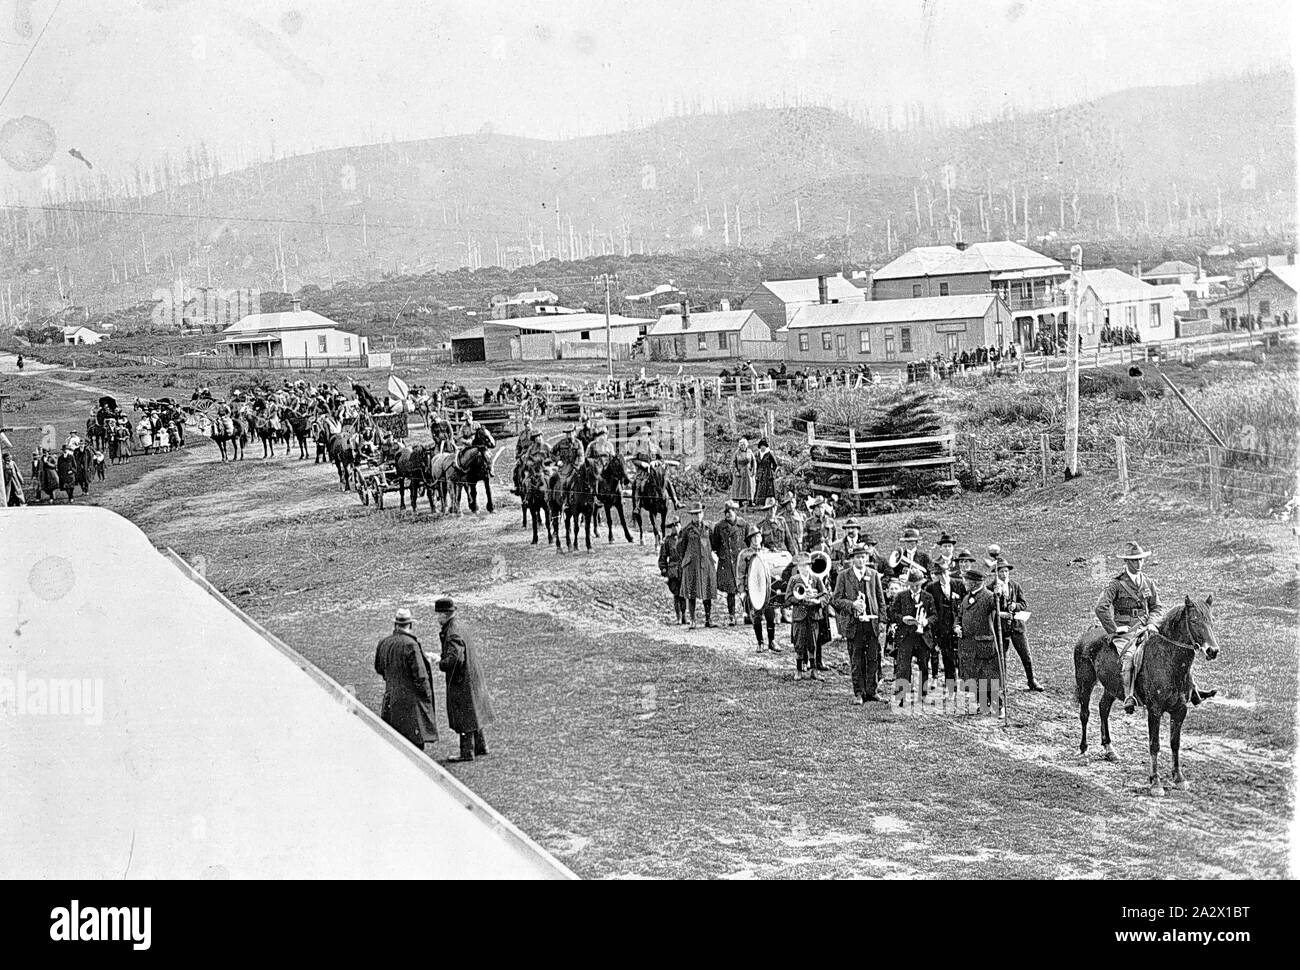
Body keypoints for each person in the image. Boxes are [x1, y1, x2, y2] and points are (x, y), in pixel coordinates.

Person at [1094, 541, 1161, 714]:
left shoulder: (1148, 582)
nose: (1138, 564)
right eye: (1134, 561)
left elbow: (1156, 607)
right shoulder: (1116, 584)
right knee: (1129, 658)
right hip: (1125, 633)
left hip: (1146, 628)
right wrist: (1114, 629)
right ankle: (1129, 695)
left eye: (1140, 560)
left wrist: (1152, 622)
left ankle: (1188, 689)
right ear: (1126, 562)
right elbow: (1101, 608)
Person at [435, 597, 495, 762]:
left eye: (438, 614)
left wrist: (441, 663)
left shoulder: (452, 632)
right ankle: (481, 746)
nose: (437, 618)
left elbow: (455, 659)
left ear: (445, 615)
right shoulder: (459, 626)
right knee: (473, 711)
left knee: (463, 715)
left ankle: (466, 752)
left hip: (462, 681)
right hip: (472, 676)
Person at [374, 607, 438, 751]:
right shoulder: (411, 645)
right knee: (416, 747)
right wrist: (427, 695)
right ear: (410, 624)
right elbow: (421, 676)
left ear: (395, 624)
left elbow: (379, 668)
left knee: (395, 744)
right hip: (411, 705)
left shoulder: (383, 643)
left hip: (391, 700)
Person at [832, 543, 885, 704]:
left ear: (867, 558)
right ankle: (859, 693)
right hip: (854, 625)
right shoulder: (844, 576)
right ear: (852, 559)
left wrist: (882, 620)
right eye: (857, 557)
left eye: (863, 557)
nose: (861, 560)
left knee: (873, 658)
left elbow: (881, 600)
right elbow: (836, 600)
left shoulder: (874, 574)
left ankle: (872, 691)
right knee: (856, 659)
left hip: (871, 624)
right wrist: (852, 605)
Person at [993, 557, 1044, 691]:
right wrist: (1000, 612)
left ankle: (1031, 680)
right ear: (996, 573)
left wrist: (1015, 606)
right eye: (1001, 572)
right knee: (1001, 657)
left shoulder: (1015, 586)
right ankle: (1002, 684)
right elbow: (990, 608)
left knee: (1025, 655)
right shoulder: (991, 588)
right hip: (1000, 628)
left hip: (1016, 626)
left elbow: (1024, 603)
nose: (1004, 574)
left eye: (1006, 572)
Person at [957, 566, 1002, 715]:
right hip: (968, 645)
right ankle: (983, 705)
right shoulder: (966, 597)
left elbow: (998, 606)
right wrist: (957, 626)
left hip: (983, 644)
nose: (964, 582)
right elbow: (959, 615)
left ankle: (997, 706)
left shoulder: (988, 597)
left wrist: (999, 595)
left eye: (967, 580)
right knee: (974, 676)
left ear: (975, 583)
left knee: (987, 678)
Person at [888, 567, 936, 705]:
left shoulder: (928, 597)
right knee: (903, 667)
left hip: (922, 638)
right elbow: (892, 613)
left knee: (924, 667)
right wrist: (902, 618)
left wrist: (926, 621)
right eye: (912, 586)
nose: (914, 588)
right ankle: (901, 696)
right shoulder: (901, 596)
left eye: (917, 585)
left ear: (921, 584)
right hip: (906, 637)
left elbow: (934, 616)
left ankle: (923, 694)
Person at [787, 553, 830, 680]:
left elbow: (826, 595)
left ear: (810, 566)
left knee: (813, 643)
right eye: (801, 566)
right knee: (799, 643)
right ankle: (799, 669)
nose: (804, 568)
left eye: (806, 565)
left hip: (813, 616)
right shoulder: (794, 580)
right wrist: (799, 599)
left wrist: (818, 601)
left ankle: (814, 670)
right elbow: (788, 598)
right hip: (799, 616)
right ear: (798, 567)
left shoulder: (816, 579)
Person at [736, 526, 778, 652]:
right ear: (749, 539)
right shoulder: (745, 554)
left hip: (767, 590)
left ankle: (772, 641)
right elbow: (740, 574)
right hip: (753, 590)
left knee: (771, 616)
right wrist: (742, 591)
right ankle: (760, 642)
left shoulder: (767, 552)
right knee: (757, 617)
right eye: (753, 537)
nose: (756, 539)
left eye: (758, 536)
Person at [925, 559, 963, 692]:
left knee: (959, 655)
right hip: (942, 628)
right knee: (947, 656)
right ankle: (951, 686)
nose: (943, 577)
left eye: (945, 573)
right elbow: (929, 608)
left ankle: (963, 681)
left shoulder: (958, 584)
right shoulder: (931, 588)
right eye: (940, 574)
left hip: (957, 625)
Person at [678, 505, 717, 629]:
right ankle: (693, 619)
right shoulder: (686, 530)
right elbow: (680, 548)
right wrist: (688, 557)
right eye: (694, 514)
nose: (697, 516)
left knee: (707, 591)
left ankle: (708, 619)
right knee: (692, 592)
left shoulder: (708, 528)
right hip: (692, 565)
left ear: (703, 514)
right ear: (691, 516)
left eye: (699, 513)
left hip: (706, 563)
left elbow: (714, 543)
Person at [711, 501, 747, 625]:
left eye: (729, 512)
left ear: (735, 512)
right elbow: (714, 544)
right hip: (726, 562)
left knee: (744, 589)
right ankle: (732, 616)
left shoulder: (743, 525)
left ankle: (747, 614)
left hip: (740, 561)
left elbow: (748, 542)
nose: (727, 515)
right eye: (725, 513)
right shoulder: (719, 527)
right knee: (730, 591)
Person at [658, 517, 686, 624]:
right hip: (673, 571)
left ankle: (684, 616)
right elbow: (663, 557)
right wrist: (664, 569)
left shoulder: (684, 539)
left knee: (684, 594)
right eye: (673, 526)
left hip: (683, 569)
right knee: (676, 594)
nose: (675, 528)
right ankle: (678, 617)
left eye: (677, 525)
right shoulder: (668, 541)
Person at [731, 437, 757, 507]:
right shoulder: (737, 452)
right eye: (741, 445)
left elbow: (754, 461)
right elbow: (733, 463)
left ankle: (750, 501)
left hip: (748, 472)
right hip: (740, 472)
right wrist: (736, 471)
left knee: (750, 486)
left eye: (744, 445)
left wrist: (754, 471)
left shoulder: (750, 451)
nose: (742, 446)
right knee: (740, 487)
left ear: (746, 445)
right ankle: (740, 502)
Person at [753, 438, 777, 506]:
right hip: (760, 474)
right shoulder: (757, 455)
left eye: (764, 446)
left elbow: (775, 464)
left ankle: (768, 503)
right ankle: (759, 503)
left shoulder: (769, 454)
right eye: (761, 446)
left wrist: (772, 471)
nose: (762, 447)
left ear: (766, 446)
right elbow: (756, 464)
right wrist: (757, 473)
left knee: (768, 489)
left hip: (767, 473)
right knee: (760, 488)